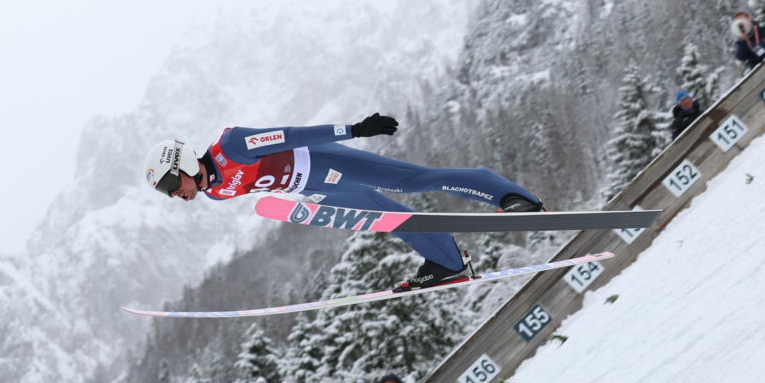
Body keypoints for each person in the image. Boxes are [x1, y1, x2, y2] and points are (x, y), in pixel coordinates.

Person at [143, 114, 544, 290]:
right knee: (390, 218)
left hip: (323, 161)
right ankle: (449, 262)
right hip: (314, 187)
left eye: (172, 184)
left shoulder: (232, 146)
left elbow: (291, 135)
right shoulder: (215, 192)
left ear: (185, 162)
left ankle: (512, 197)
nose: (176, 194)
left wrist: (354, 129)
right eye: (167, 192)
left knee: (410, 181)